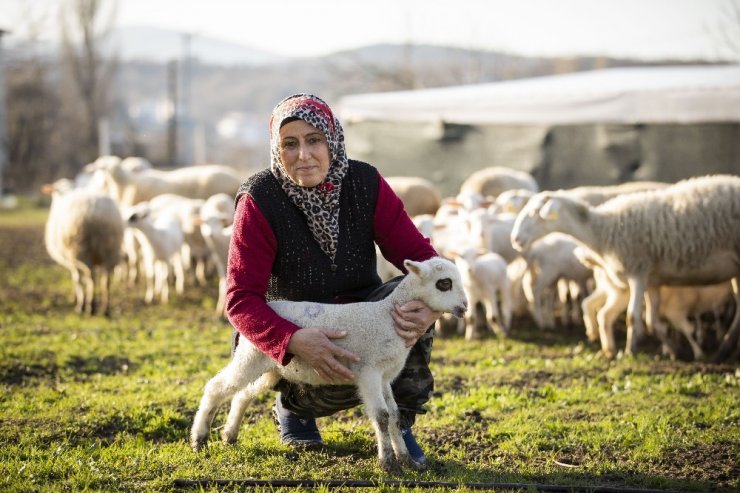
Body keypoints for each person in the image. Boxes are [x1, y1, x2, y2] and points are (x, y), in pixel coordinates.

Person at [225, 93, 441, 465]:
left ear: (333, 140)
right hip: (294, 335)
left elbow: (422, 258)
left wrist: (430, 309)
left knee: (412, 296)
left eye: (314, 140)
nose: (303, 154)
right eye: (289, 144)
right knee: (301, 369)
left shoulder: (364, 183)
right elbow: (241, 298)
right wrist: (291, 339)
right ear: (276, 149)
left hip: (360, 323)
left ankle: (397, 424)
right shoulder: (261, 197)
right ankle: (294, 406)